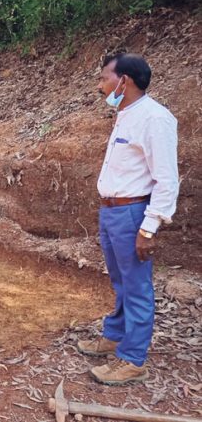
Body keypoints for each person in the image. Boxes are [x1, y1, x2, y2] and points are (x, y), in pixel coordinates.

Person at [77, 53, 179, 385]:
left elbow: (166, 179)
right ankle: (115, 335)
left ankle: (133, 359)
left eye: (104, 78)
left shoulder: (154, 119)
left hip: (133, 213)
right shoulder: (127, 115)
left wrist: (148, 228)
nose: (100, 86)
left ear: (125, 81)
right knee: (121, 281)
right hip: (112, 212)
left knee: (136, 286)